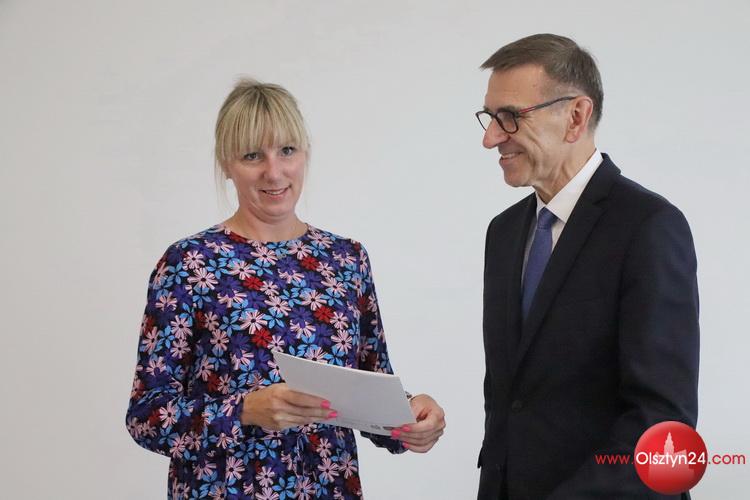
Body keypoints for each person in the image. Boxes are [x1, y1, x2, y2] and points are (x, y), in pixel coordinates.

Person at [126, 79, 445, 499]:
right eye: (252, 155)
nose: (273, 172)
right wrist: (243, 411)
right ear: (226, 163)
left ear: (305, 153)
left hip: (329, 488)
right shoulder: (190, 263)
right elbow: (147, 417)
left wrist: (412, 418)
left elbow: (370, 389)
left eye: (287, 151)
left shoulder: (346, 259)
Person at [475, 34, 699, 499]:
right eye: (490, 117)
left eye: (510, 117)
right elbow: (509, 400)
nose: (490, 138)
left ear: (576, 116)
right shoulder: (504, 232)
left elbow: (661, 422)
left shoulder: (649, 227)